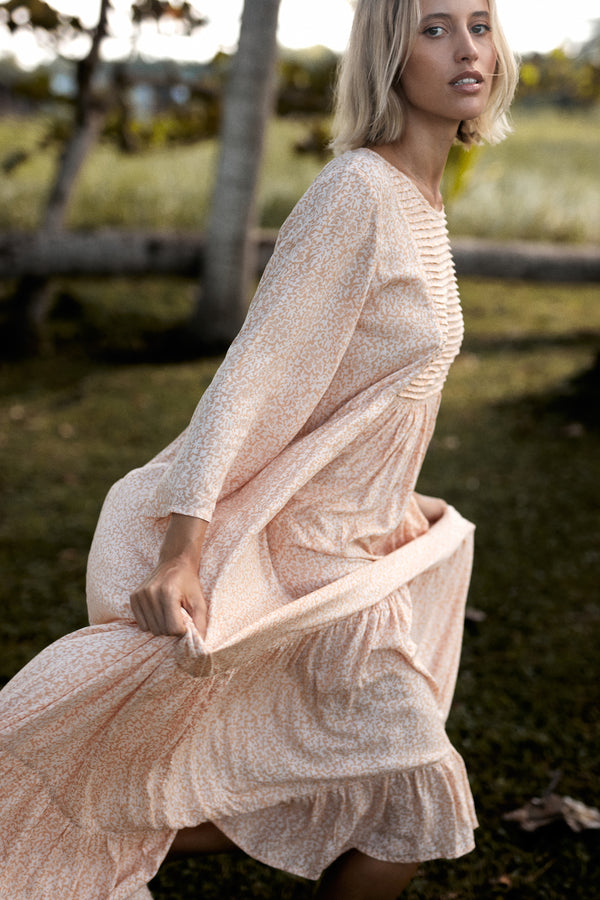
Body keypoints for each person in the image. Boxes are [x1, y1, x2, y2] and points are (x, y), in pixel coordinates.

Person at [0, 0, 518, 897]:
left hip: (355, 544)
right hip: (303, 553)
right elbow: (254, 375)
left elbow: (363, 396)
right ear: (390, 57)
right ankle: (53, 808)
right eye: (434, 28)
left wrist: (398, 503)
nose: (468, 48)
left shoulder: (422, 198)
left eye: (479, 22)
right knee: (409, 791)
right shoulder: (356, 192)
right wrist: (182, 549)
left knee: (368, 789)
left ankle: (74, 807)